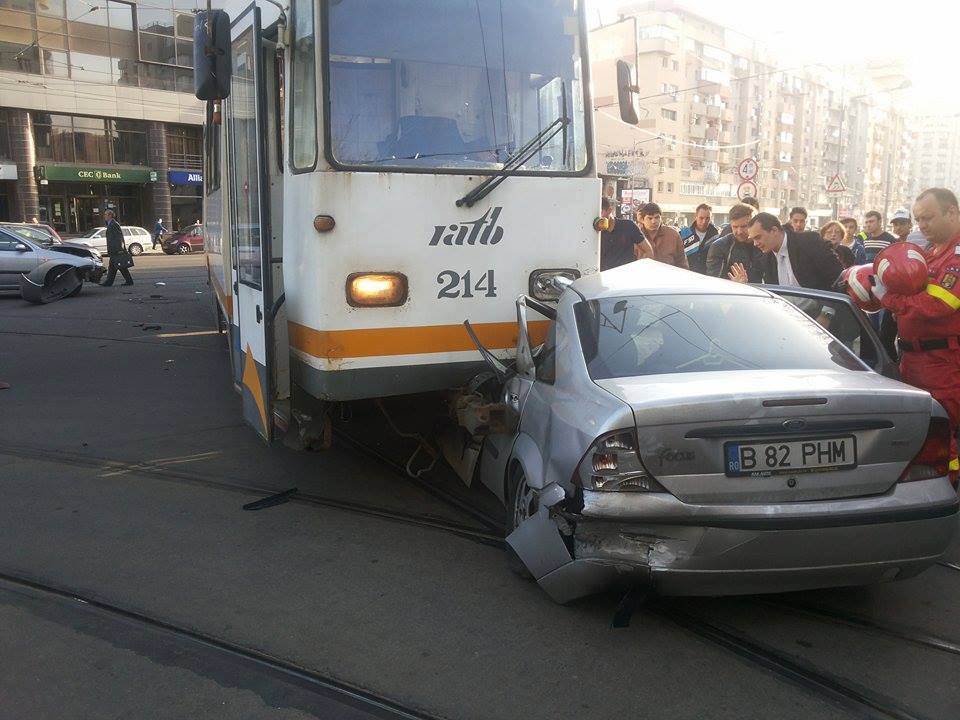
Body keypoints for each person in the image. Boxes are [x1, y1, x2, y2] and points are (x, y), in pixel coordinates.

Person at [875, 188, 960, 478]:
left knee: (942, 430)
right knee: (925, 431)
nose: (922, 225)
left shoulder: (956, 254)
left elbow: (938, 304)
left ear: (951, 212)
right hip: (915, 358)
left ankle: (948, 494)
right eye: (918, 219)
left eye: (928, 218)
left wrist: (888, 298)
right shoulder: (931, 252)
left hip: (942, 361)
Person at [729, 212, 842, 290]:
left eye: (758, 237)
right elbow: (769, 293)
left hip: (820, 315)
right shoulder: (765, 258)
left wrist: (826, 314)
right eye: (753, 239)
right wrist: (743, 285)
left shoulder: (809, 242)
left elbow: (838, 278)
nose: (755, 243)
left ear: (774, 230)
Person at [706, 203, 763, 281]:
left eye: (744, 226)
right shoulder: (720, 247)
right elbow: (714, 282)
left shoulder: (765, 245)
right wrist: (734, 284)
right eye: (735, 227)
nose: (739, 231)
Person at [597, 197, 652, 270]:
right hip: (602, 277)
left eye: (600, 212)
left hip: (626, 277)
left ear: (609, 210)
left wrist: (639, 270)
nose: (598, 217)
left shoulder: (628, 226)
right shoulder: (595, 232)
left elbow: (648, 251)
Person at [636, 202, 688, 268]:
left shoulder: (673, 235)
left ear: (661, 218)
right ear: (642, 220)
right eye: (650, 218)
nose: (654, 221)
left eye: (657, 217)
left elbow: (682, 261)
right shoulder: (636, 236)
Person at [679, 203, 719, 274]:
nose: (704, 221)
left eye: (707, 218)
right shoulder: (684, 234)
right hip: (687, 275)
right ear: (696, 216)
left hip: (708, 277)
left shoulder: (716, 236)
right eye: (701, 218)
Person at [100, 209, 133, 286]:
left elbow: (119, 237)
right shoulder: (110, 224)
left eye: (106, 214)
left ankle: (110, 282)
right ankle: (111, 282)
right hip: (113, 250)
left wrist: (119, 249)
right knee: (116, 266)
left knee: (119, 266)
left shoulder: (114, 224)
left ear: (110, 215)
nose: (104, 216)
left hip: (116, 250)